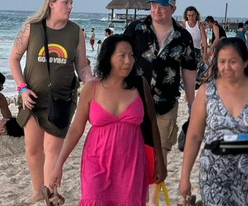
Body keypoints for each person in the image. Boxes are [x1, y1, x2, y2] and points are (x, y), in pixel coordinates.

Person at [48, 35, 166, 206]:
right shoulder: (91, 88)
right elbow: (75, 129)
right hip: (96, 161)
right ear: (108, 57)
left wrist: (159, 162)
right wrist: (58, 165)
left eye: (131, 55)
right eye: (122, 55)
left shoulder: (140, 85)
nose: (128, 61)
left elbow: (152, 123)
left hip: (131, 163)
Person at [179, 38, 248, 206]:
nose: (227, 67)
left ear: (245, 62)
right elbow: (194, 135)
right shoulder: (206, 91)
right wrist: (184, 177)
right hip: (215, 176)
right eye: (222, 61)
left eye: (233, 62)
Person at [9, 0, 93, 202]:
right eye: (66, 2)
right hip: (32, 98)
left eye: (71, 3)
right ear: (52, 3)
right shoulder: (32, 28)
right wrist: (22, 88)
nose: (71, 7)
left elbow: (82, 67)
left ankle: (51, 193)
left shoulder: (76, 32)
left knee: (53, 149)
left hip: (62, 100)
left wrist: (93, 84)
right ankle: (38, 191)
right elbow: (14, 59)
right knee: (33, 149)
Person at [123, 0, 197, 206]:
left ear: (173, 9)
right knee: (131, 152)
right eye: (154, 5)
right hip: (132, 101)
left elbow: (189, 69)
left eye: (162, 7)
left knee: (160, 153)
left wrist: (191, 103)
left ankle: (152, 201)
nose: (156, 10)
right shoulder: (136, 28)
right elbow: (118, 55)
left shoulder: (182, 36)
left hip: (166, 103)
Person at [182, 7, 209, 82]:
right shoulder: (184, 25)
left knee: (197, 69)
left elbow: (204, 39)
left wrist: (205, 53)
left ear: (196, 15)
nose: (191, 17)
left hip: (196, 50)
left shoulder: (199, 25)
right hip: (186, 51)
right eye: (189, 15)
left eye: (193, 15)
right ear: (186, 16)